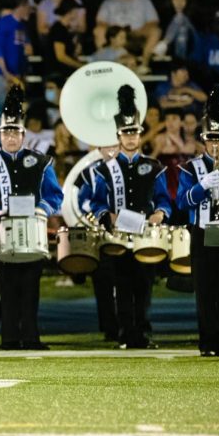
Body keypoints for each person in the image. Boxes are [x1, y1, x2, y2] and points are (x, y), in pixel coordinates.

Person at [0, 85, 63, 351]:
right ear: (0, 135)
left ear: (23, 135)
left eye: (15, 132)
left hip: (33, 233)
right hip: (2, 234)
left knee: (31, 288)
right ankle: (9, 339)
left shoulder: (40, 161)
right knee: (7, 288)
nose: (11, 138)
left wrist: (44, 210)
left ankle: (31, 337)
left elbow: (55, 197)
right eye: (6, 133)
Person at [90, 85, 172, 350]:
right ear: (119, 135)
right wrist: (107, 215)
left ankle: (141, 332)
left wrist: (161, 212)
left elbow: (163, 199)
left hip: (146, 233)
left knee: (144, 285)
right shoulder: (105, 169)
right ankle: (126, 333)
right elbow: (96, 201)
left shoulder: (154, 166)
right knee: (122, 285)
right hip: (119, 236)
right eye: (126, 133)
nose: (130, 137)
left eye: (134, 132)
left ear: (140, 135)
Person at [176, 88, 219, 356]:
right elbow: (181, 202)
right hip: (202, 233)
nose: (216, 145)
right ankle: (208, 342)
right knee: (206, 290)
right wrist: (201, 188)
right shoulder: (190, 168)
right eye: (211, 139)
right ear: (203, 140)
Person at [77, 142, 120, 342]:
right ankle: (110, 327)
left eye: (115, 146)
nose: (111, 151)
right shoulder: (91, 172)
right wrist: (98, 213)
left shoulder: (130, 169)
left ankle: (133, 325)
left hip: (129, 231)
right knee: (103, 279)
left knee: (129, 279)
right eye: (106, 147)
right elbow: (82, 200)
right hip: (102, 233)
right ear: (99, 149)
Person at [0, 0, 32, 148]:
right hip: (0, 73)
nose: (30, 12)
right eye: (29, 8)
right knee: (2, 106)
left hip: (14, 75)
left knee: (7, 108)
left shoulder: (21, 27)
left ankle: (1, 144)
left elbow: (24, 50)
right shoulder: (3, 23)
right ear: (22, 6)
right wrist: (6, 73)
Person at [95, 0, 160, 70]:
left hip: (137, 35)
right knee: (98, 30)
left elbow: (153, 21)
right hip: (115, 37)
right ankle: (105, 64)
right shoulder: (109, 2)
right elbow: (100, 21)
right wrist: (114, 32)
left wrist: (141, 30)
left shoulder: (145, 1)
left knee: (156, 31)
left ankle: (144, 64)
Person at [47, 0, 84, 78]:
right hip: (57, 75)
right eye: (76, 10)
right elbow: (61, 56)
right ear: (70, 11)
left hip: (63, 73)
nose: (78, 13)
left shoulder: (66, 29)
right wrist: (80, 66)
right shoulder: (58, 29)